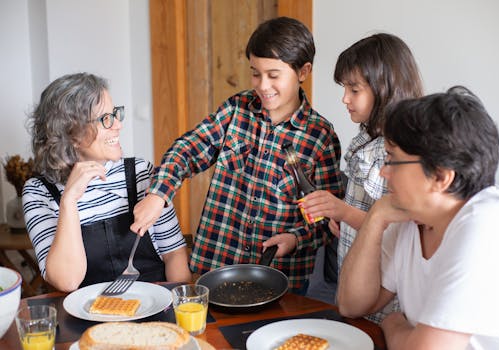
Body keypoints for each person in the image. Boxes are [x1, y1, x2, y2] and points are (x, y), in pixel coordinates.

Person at [131, 17, 343, 293]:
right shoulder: (236, 110)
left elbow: (328, 220)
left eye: (274, 75)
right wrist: (159, 194)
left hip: (281, 280)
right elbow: (188, 149)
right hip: (216, 266)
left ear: (303, 71)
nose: (263, 85)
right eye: (256, 73)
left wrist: (295, 238)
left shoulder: (321, 137)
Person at [338, 86, 499, 349]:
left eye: (392, 160)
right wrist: (375, 218)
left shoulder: (491, 222)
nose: (383, 173)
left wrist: (393, 324)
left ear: (440, 176)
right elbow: (351, 305)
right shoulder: (415, 217)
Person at [22, 73, 191, 292]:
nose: (118, 125)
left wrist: (183, 306)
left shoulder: (140, 172)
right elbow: (67, 281)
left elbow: (174, 254)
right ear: (71, 134)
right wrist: (69, 201)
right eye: (105, 119)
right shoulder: (38, 193)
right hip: (85, 321)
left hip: (157, 309)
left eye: (115, 114)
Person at [301, 33, 423, 312]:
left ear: (385, 89)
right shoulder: (368, 138)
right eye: (344, 88)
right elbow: (367, 214)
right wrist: (344, 220)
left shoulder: (401, 153)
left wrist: (345, 213)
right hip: (355, 282)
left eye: (354, 90)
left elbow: (399, 229)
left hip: (383, 296)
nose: (345, 98)